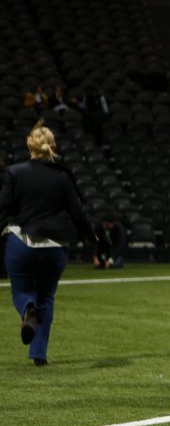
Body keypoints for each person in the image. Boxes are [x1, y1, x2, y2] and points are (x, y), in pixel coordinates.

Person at [0, 120, 94, 367]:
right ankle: (39, 354)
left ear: (29, 145)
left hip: (21, 241)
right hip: (54, 247)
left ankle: (27, 309)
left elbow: (3, 209)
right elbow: (78, 212)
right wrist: (91, 236)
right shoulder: (63, 176)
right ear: (52, 146)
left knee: (21, 291)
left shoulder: (14, 172)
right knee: (47, 297)